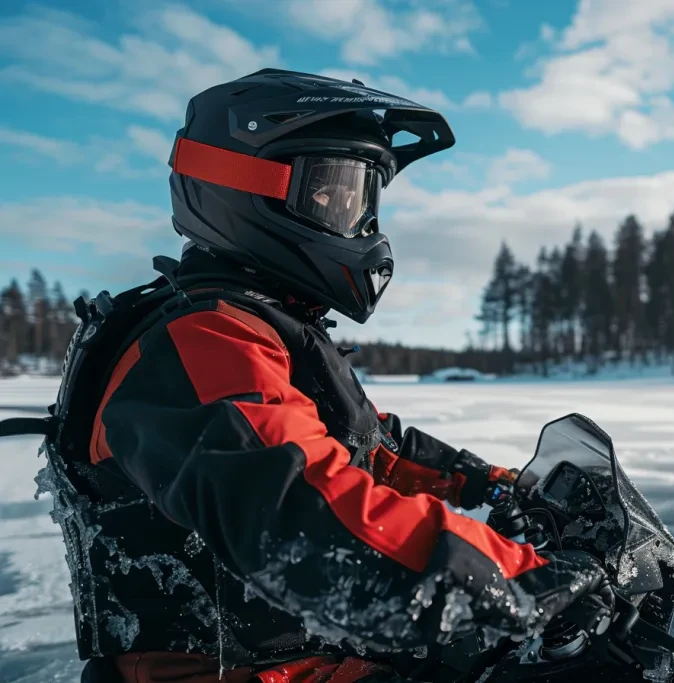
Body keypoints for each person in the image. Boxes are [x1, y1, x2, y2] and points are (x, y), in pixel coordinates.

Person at [20, 69, 612, 683]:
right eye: (330, 190)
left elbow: (371, 451)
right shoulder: (200, 342)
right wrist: (520, 581)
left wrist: (493, 487)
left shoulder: (253, 328)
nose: (356, 220)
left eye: (362, 197)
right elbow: (301, 510)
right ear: (242, 187)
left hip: (308, 661)